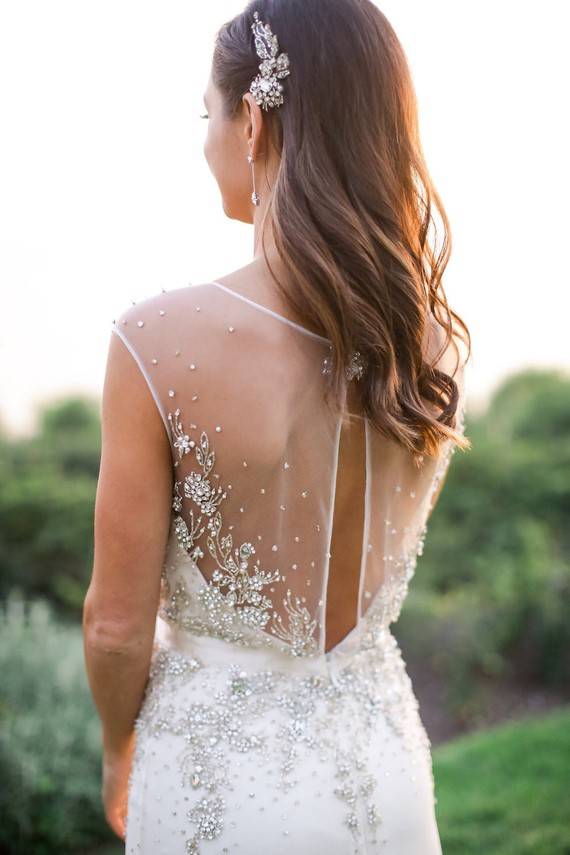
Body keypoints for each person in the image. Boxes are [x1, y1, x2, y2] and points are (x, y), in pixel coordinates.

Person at [83, 1, 472, 852]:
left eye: (207, 115)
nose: (204, 140)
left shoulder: (156, 340)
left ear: (251, 120)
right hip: (384, 768)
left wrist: (119, 746)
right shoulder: (429, 337)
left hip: (216, 782)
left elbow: (115, 625)